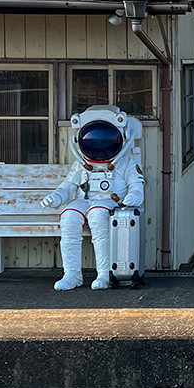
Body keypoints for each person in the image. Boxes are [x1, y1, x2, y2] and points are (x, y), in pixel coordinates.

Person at [41, 105, 144, 290]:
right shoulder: (82, 164)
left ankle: (104, 274)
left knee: (97, 215)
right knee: (69, 216)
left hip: (109, 201)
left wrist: (133, 198)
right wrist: (56, 197)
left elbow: (137, 186)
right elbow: (68, 185)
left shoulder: (126, 162)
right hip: (85, 200)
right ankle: (72, 275)